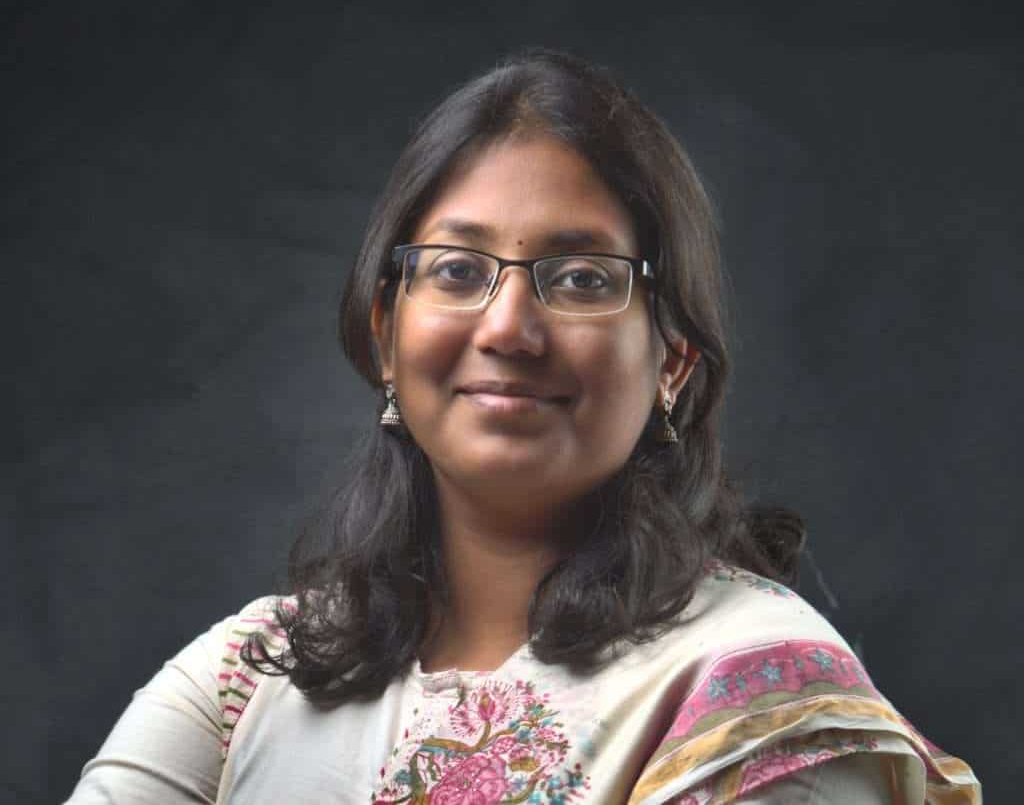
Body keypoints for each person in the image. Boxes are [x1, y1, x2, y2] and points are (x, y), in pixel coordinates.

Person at [65, 49, 981, 804]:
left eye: (581, 279)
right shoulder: (250, 675)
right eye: (458, 271)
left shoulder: (759, 693)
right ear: (386, 335)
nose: (507, 328)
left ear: (671, 359)